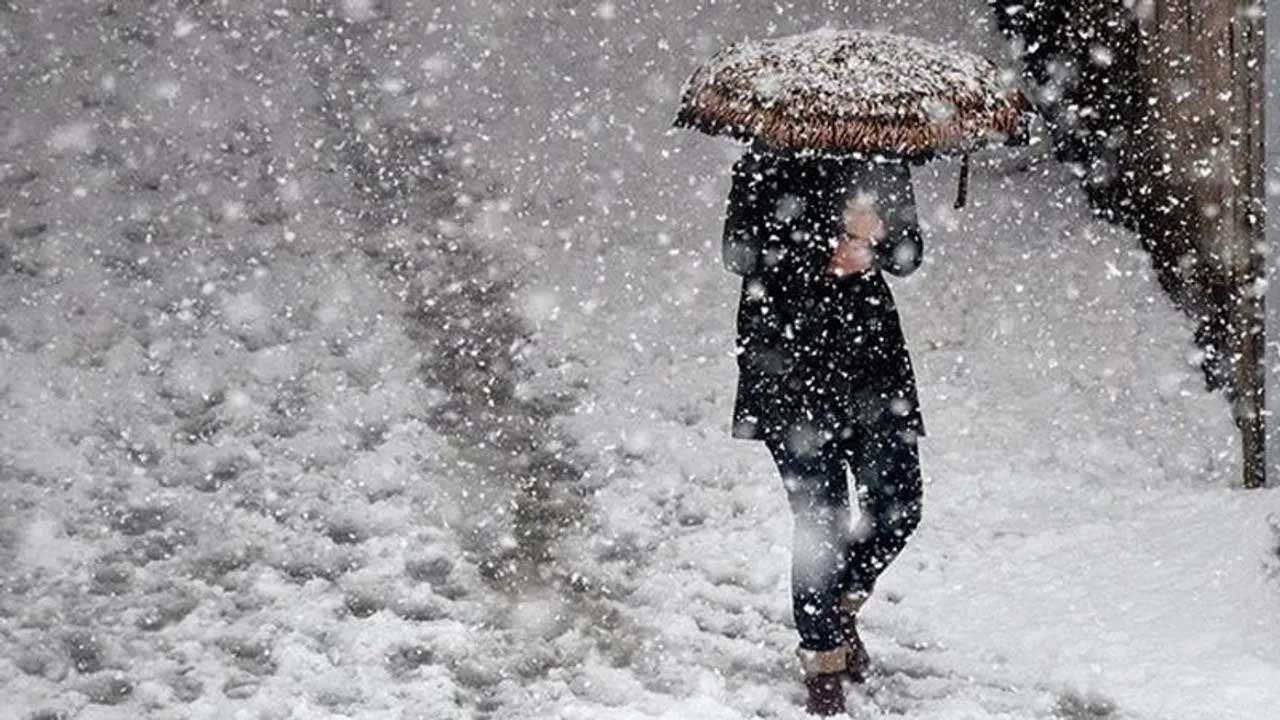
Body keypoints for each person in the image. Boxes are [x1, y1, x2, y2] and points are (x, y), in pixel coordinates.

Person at [722, 142, 926, 716]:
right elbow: (739, 253)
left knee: (899, 502)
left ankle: (836, 606)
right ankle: (822, 662)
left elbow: (909, 255)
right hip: (788, 363)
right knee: (822, 520)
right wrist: (825, 246)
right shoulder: (765, 161)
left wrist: (876, 240)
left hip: (871, 363)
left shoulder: (882, 157)